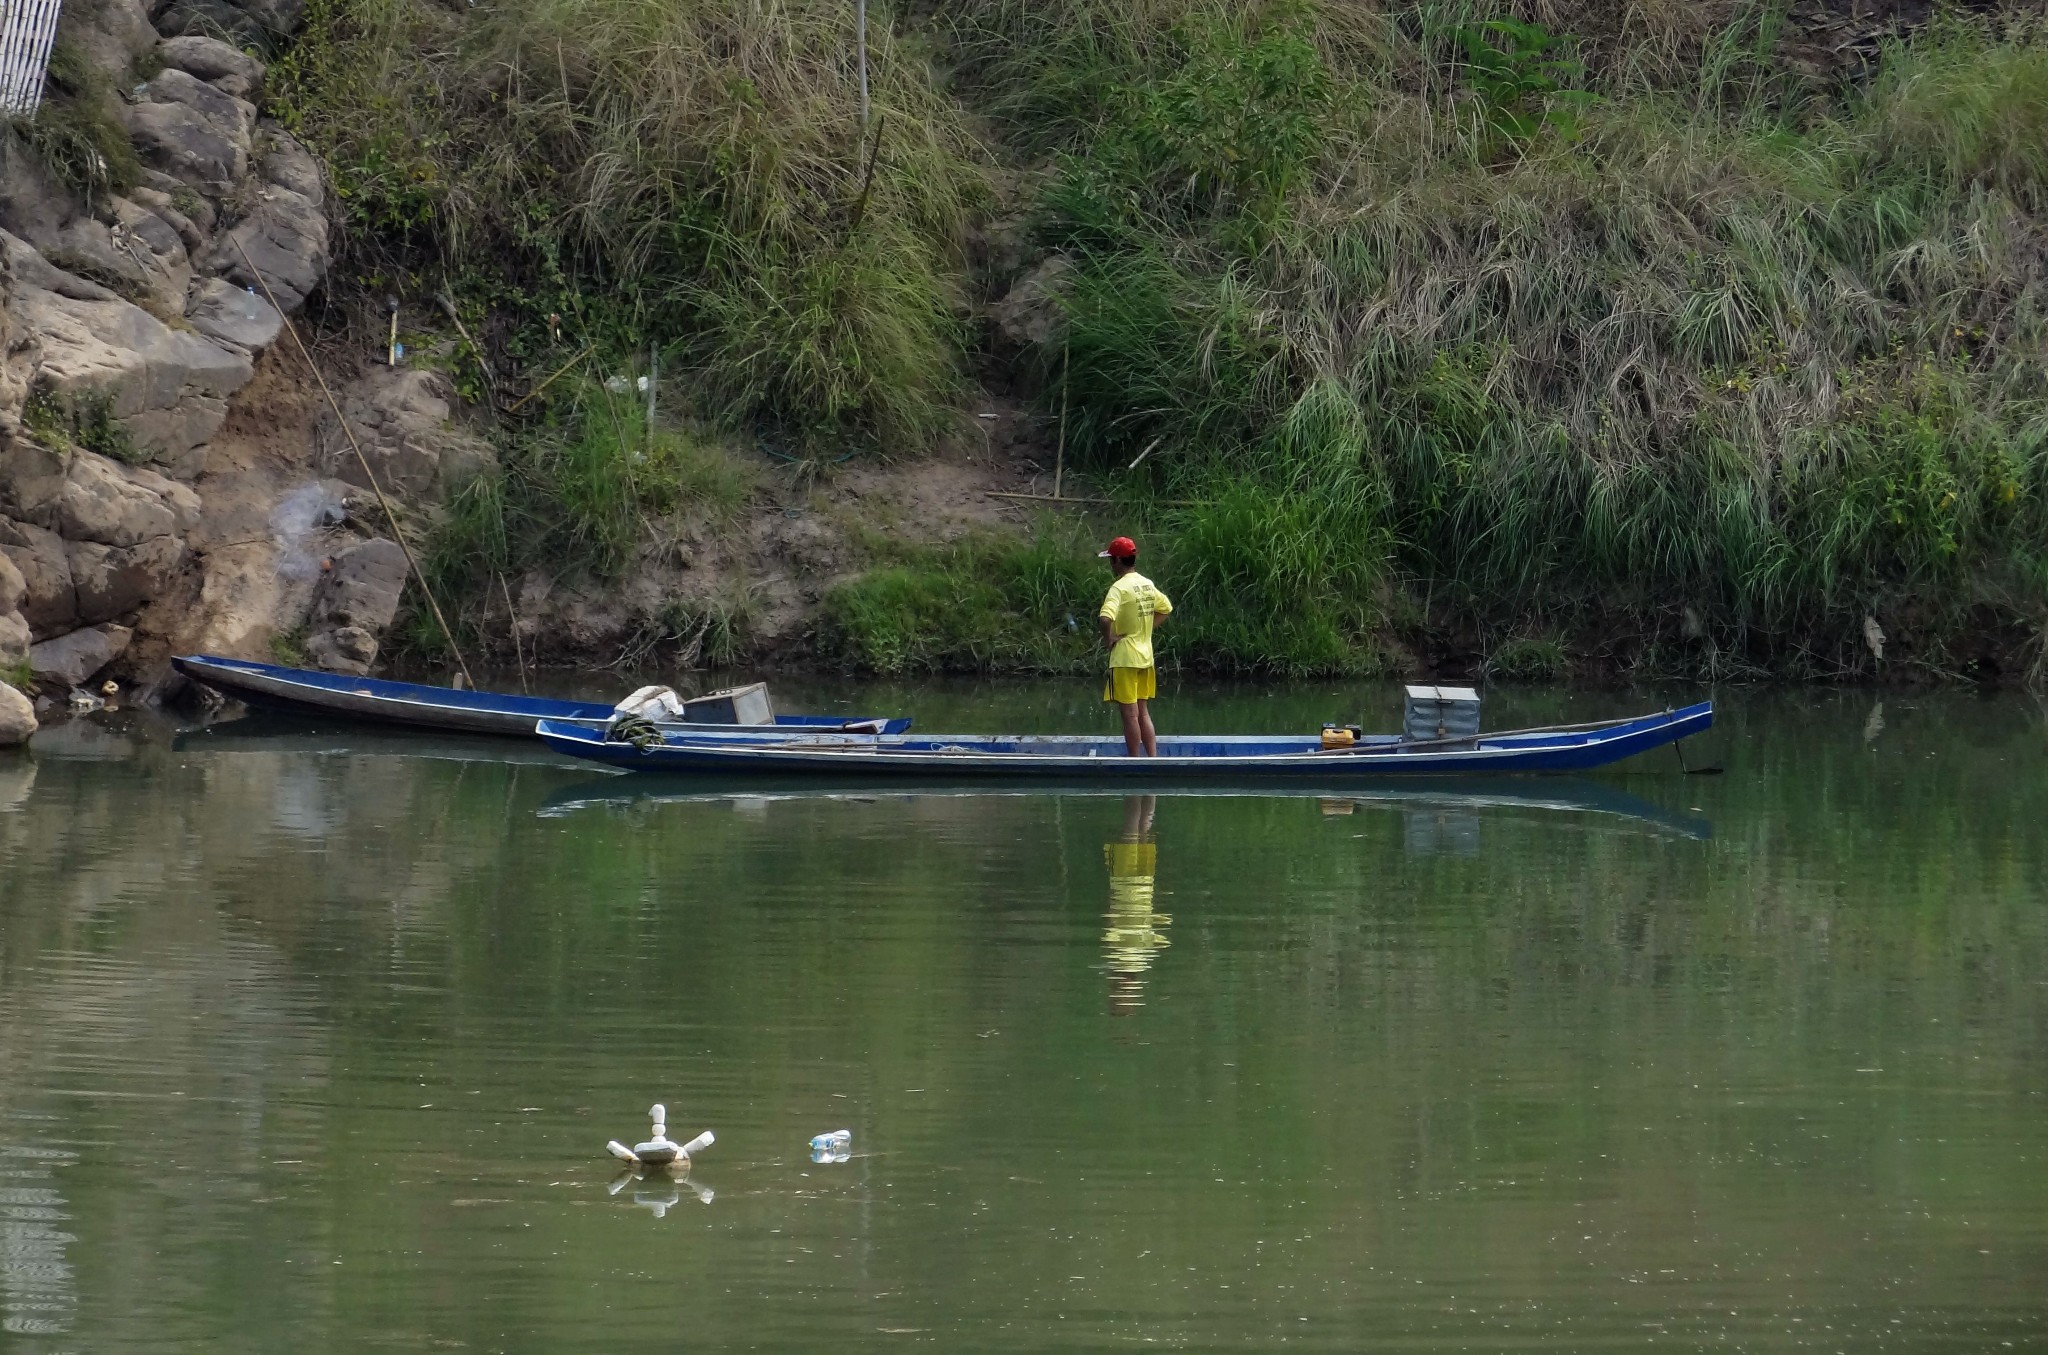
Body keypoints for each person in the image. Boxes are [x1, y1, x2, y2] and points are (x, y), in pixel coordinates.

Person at [1097, 535, 1171, 756]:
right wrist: (1146, 629)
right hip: (1145, 657)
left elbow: (1104, 618)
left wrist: (1109, 638)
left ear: (1118, 560)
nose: (1110, 564)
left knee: (1129, 715)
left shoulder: (1119, 588)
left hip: (1125, 658)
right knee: (1143, 712)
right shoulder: (1146, 584)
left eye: (1111, 559)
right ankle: (1152, 759)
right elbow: (1165, 608)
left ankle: (1134, 762)